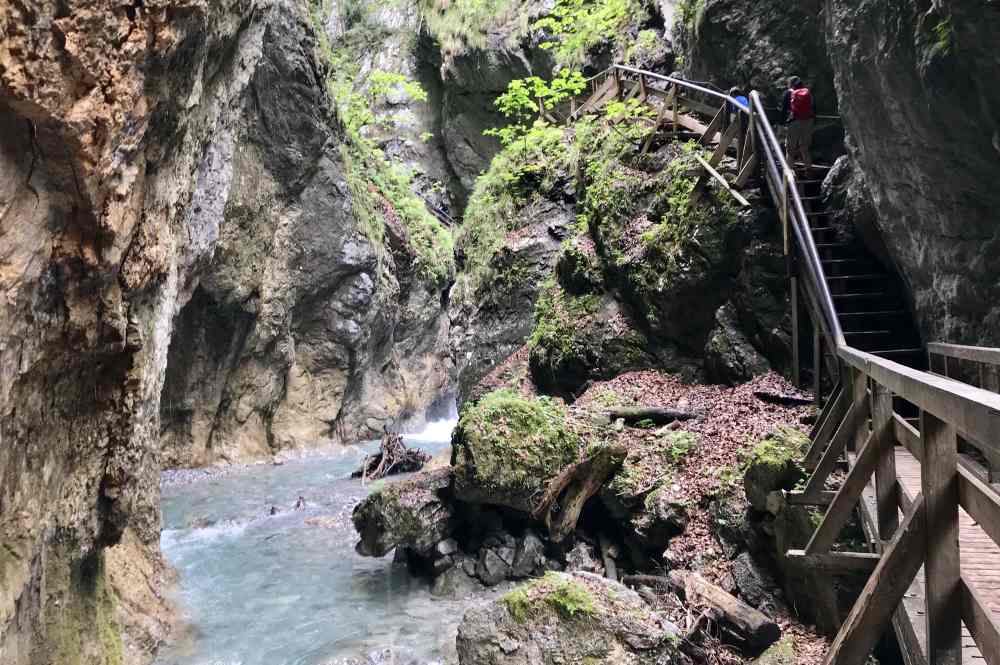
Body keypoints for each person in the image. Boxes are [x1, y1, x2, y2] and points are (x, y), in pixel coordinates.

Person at [780, 76, 815, 172]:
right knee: (804, 147)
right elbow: (813, 108)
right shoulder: (808, 93)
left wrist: (782, 123)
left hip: (794, 122)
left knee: (790, 148)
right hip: (808, 121)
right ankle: (809, 170)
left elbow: (783, 110)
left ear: (790, 84)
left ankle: (789, 172)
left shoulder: (788, 93)